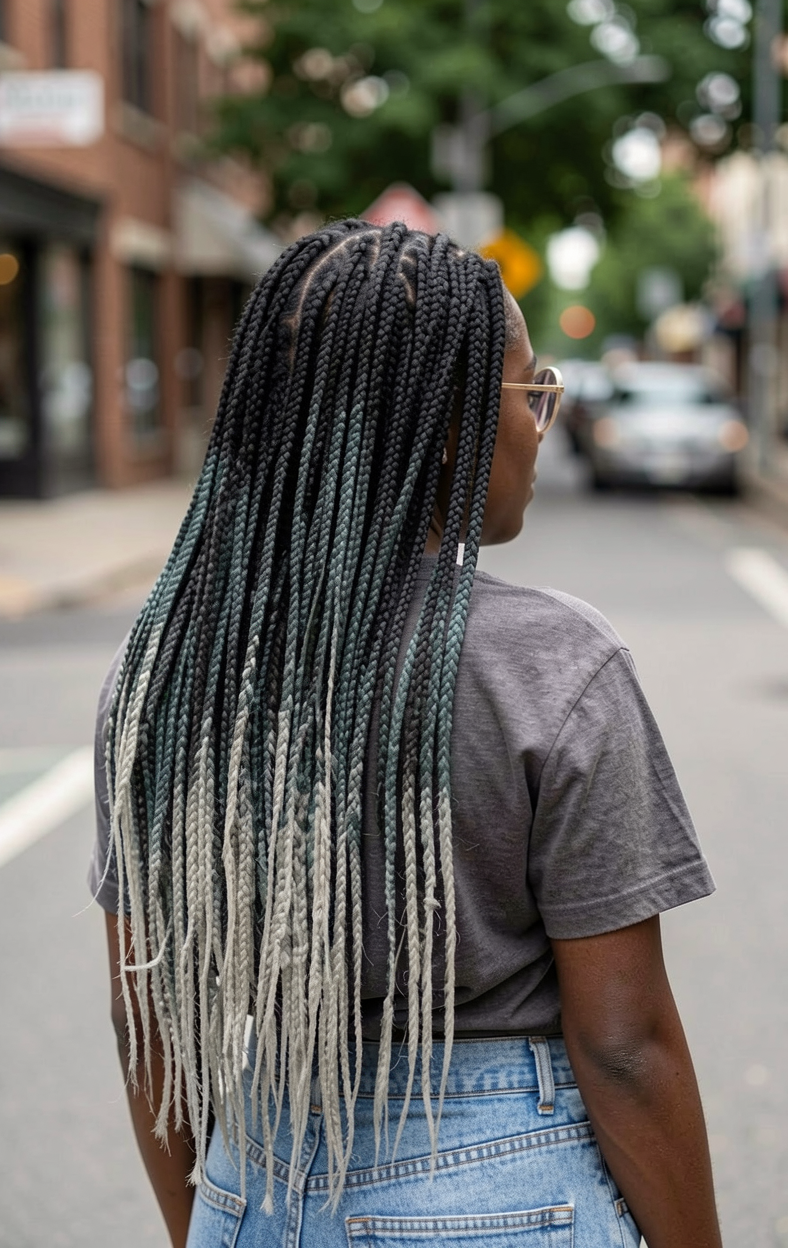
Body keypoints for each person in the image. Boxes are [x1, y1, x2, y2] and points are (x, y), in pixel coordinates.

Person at [89, 220, 722, 1248]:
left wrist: (214, 1218)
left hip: (251, 1182)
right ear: (447, 425)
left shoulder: (168, 668)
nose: (542, 422)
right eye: (532, 393)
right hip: (502, 1188)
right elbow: (622, 1048)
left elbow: (143, 1019)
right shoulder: (554, 664)